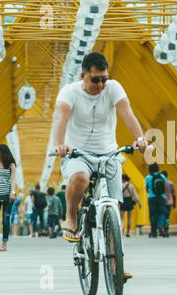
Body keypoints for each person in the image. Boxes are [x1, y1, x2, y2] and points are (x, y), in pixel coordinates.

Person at [53, 52, 147, 281]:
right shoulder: (69, 92)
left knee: (112, 207)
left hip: (109, 154)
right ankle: (72, 217)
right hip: (78, 153)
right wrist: (60, 145)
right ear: (82, 76)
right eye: (95, 79)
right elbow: (61, 120)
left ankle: (116, 266)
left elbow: (127, 114)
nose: (100, 84)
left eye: (104, 79)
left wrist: (140, 138)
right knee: (80, 179)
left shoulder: (113, 88)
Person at [145, 163, 167, 238]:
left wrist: (151, 193)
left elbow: (147, 189)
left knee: (152, 214)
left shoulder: (148, 177)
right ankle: (160, 225)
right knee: (161, 213)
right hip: (161, 197)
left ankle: (153, 231)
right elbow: (165, 187)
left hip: (152, 197)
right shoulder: (162, 176)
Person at [161, 170, 176, 237]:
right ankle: (166, 229)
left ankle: (162, 229)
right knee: (167, 217)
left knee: (162, 216)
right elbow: (174, 194)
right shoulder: (170, 183)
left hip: (162, 202)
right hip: (169, 203)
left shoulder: (161, 183)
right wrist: (175, 203)